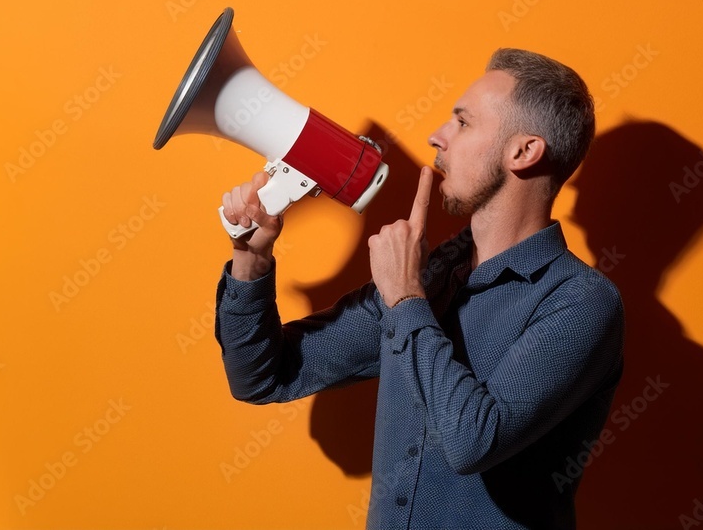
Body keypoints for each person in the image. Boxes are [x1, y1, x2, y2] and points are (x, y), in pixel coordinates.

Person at [214, 48, 624, 529]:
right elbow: (264, 377)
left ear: (524, 152)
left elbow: (474, 441)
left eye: (463, 123)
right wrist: (252, 259)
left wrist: (407, 300)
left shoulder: (582, 303)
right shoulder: (430, 275)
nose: (437, 136)